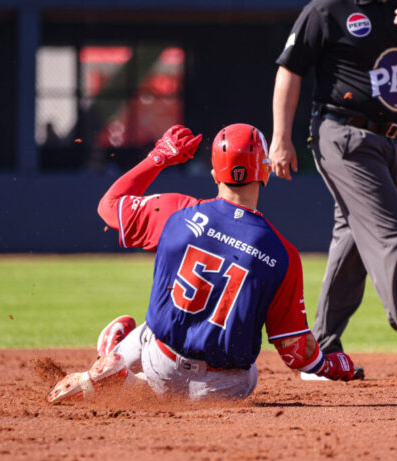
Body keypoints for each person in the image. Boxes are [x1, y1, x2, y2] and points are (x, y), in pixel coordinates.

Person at [48, 124, 363, 403]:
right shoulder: (283, 253)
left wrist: (160, 156)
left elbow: (109, 206)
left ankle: (115, 362)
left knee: (149, 332)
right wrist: (333, 365)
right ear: (265, 172)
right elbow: (295, 351)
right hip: (225, 385)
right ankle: (125, 377)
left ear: (214, 173)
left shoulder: (176, 212)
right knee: (250, 373)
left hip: (161, 362)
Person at [269, 0, 397, 378]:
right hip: (344, 135)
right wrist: (281, 138)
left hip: (390, 141)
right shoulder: (328, 9)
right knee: (389, 233)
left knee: (352, 243)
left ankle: (320, 352)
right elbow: (290, 69)